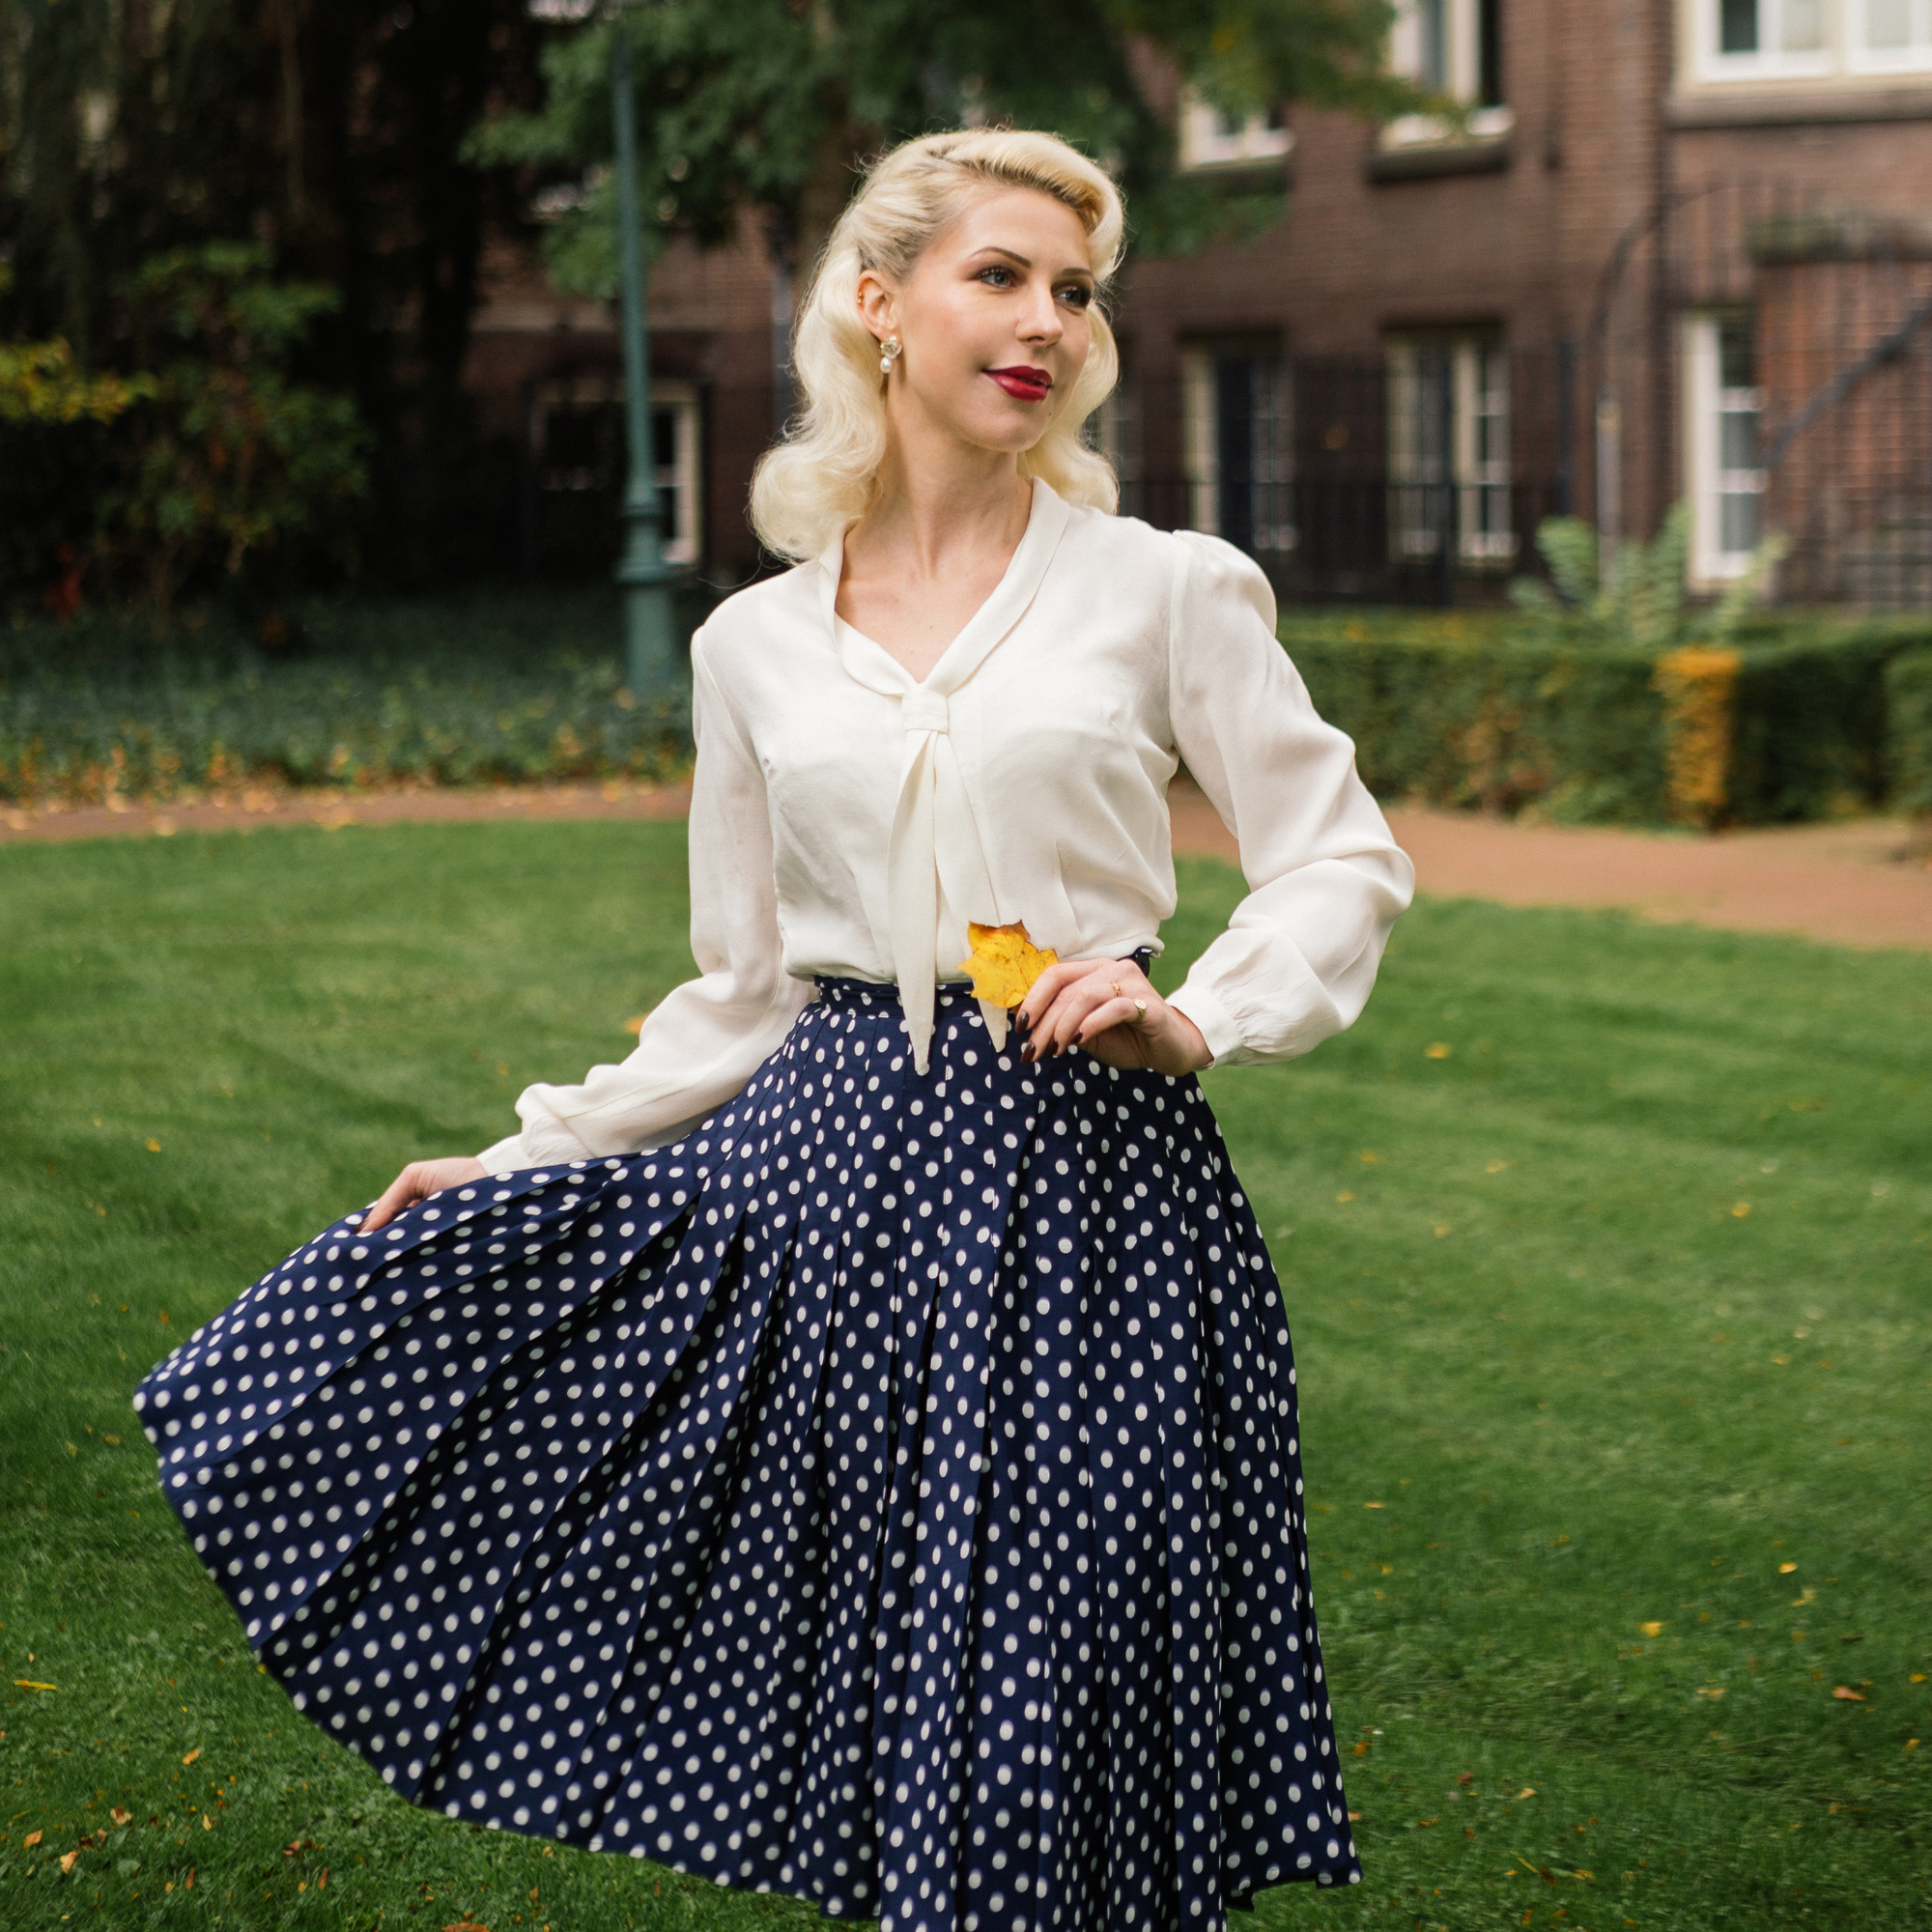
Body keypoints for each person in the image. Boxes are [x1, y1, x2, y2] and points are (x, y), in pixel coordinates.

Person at [134, 128, 1411, 1932]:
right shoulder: (750, 648)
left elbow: (1341, 858)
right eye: (999, 275)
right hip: (822, 1208)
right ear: (879, 304)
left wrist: (1196, 1011)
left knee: (1050, 1707)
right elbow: (740, 987)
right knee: (882, 1700)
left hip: (1094, 1211)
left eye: (1074, 291)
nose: (1046, 322)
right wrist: (525, 1155)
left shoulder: (1165, 589)